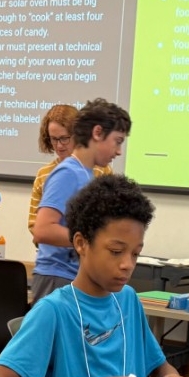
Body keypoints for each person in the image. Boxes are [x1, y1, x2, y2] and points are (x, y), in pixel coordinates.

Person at [0, 174, 189, 377]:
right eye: (116, 251)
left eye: (135, 254)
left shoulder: (128, 300)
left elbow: (159, 367)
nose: (127, 264)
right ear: (81, 243)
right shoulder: (53, 311)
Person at [29, 97, 129, 302]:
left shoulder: (87, 174)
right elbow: (43, 230)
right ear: (98, 133)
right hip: (58, 277)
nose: (118, 151)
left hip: (75, 276)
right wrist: (96, 242)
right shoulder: (68, 173)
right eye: (117, 141)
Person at [26, 103, 112, 234]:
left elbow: (110, 218)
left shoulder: (101, 171)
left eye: (64, 138)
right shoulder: (44, 174)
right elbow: (34, 224)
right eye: (54, 139)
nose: (59, 146)